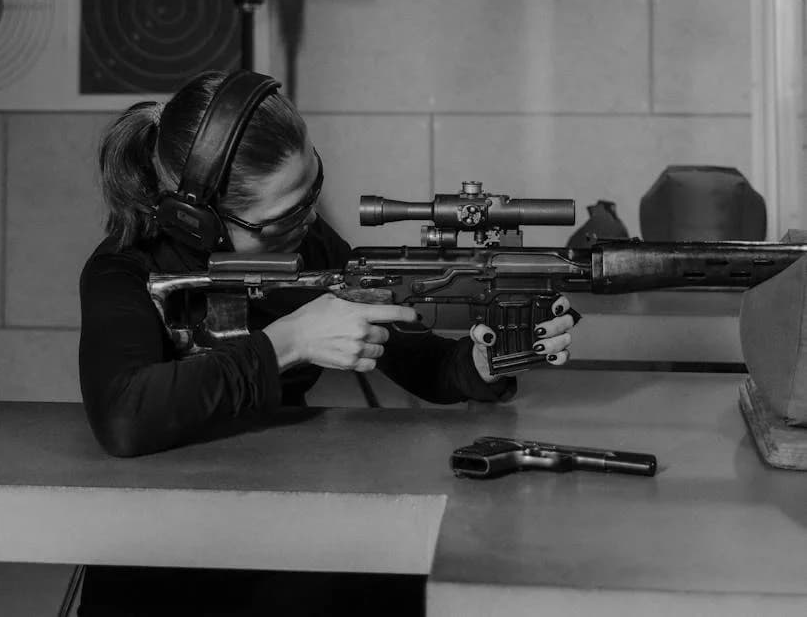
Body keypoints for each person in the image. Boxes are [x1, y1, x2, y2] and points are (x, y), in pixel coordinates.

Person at [78, 70, 578, 616]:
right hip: (162, 560)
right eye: (283, 217)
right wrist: (289, 342)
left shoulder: (308, 244)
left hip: (283, 523)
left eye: (312, 189)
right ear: (200, 223)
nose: (310, 220)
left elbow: (421, 362)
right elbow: (124, 417)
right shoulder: (126, 270)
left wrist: (482, 363)